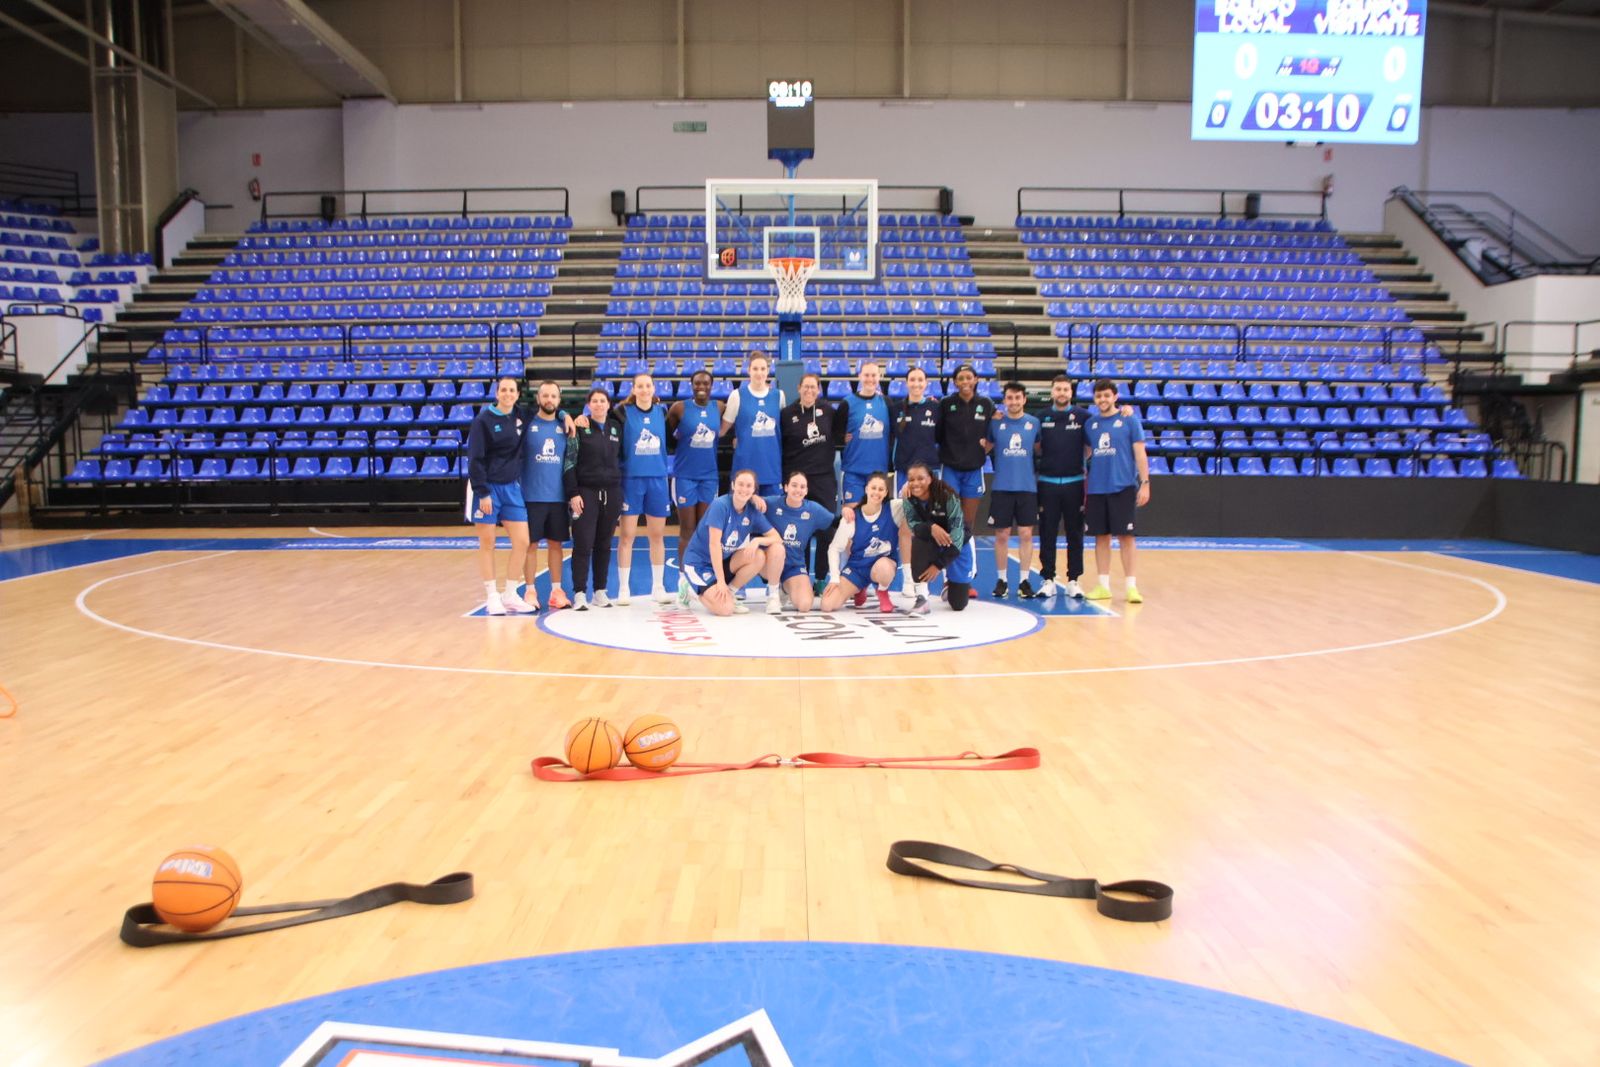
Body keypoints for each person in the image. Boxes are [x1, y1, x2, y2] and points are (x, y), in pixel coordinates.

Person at [466, 376, 532, 615]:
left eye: (512, 390)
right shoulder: (483, 421)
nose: (507, 394)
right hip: (487, 488)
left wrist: (564, 414)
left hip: (512, 487)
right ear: (497, 393)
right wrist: (482, 492)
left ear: (517, 394)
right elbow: (475, 459)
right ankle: (492, 596)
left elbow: (548, 410)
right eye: (503, 390)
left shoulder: (521, 415)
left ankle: (510, 594)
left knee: (522, 541)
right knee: (488, 543)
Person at [679, 469, 786, 617]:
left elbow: (777, 538)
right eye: (740, 484)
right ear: (733, 485)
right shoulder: (720, 505)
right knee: (725, 610)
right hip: (699, 564)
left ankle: (730, 593)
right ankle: (690, 589)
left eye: (749, 486)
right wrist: (721, 581)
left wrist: (757, 540)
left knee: (759, 556)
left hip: (722, 562)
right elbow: (714, 545)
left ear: (754, 490)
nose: (744, 489)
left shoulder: (752, 511)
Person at [1083, 378, 1151, 604]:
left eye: (1106, 395)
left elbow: (1140, 453)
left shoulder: (1129, 419)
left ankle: (1131, 587)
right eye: (1098, 396)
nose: (1102, 399)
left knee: (1126, 537)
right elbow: (1086, 452)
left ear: (1115, 397)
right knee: (1101, 537)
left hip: (1123, 487)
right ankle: (1103, 586)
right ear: (1094, 399)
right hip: (1097, 488)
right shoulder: (1090, 424)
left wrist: (1145, 482)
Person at [609, 372, 673, 605]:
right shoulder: (622, 413)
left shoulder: (662, 412)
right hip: (631, 480)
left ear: (653, 389)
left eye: (648, 386)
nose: (645, 390)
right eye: (640, 386)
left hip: (657, 479)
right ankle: (623, 589)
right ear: (634, 389)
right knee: (627, 536)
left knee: (657, 535)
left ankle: (658, 587)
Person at [563, 387, 624, 611]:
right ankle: (579, 593)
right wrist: (573, 493)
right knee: (582, 544)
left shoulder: (616, 427)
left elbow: (621, 459)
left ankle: (600, 591)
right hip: (585, 493)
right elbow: (569, 462)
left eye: (602, 401)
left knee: (604, 544)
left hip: (612, 493)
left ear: (609, 404)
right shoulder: (579, 427)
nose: (599, 404)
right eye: (594, 401)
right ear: (588, 405)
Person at [666, 369, 724, 606]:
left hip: (709, 477)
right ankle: (683, 583)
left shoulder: (719, 407)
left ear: (711, 386)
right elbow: (667, 438)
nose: (701, 387)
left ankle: (705, 579)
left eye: (706, 383)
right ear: (691, 385)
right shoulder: (679, 408)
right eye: (697, 383)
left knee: (706, 532)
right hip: (685, 477)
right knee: (687, 530)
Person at [778, 372, 840, 584]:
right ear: (799, 388)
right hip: (797, 480)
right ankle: (800, 575)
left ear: (818, 390)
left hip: (824, 479)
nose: (809, 390)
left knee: (826, 530)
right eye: (806, 386)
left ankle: (821, 578)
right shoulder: (787, 414)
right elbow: (779, 446)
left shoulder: (828, 411)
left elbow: (841, 434)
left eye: (813, 387)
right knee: (799, 531)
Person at [518, 380, 573, 611]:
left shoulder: (566, 427)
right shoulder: (527, 423)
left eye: (553, 396)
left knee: (556, 545)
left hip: (558, 497)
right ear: (538, 398)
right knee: (530, 545)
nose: (549, 400)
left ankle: (556, 591)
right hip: (531, 496)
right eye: (545, 395)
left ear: (559, 400)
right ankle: (530, 591)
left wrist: (565, 415)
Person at [1035, 374, 1090, 599]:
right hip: (1047, 484)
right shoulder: (1041, 417)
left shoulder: (1084, 416)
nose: (1061, 393)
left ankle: (1073, 580)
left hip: (1074, 484)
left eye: (1065, 389)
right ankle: (1048, 579)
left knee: (1075, 534)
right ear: (1052, 391)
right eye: (1058, 389)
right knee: (1047, 533)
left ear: (1071, 392)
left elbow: (1090, 445)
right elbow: (1036, 447)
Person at [987, 381, 1041, 599]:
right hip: (1002, 486)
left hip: (1027, 487)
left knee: (1026, 534)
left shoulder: (1034, 423)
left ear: (1024, 399)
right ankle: (1002, 580)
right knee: (1002, 535)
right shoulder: (995, 423)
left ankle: (1024, 580)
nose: (1014, 401)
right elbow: (984, 447)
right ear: (1004, 400)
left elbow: (1040, 449)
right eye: (1010, 398)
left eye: (1018, 397)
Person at [896, 461, 974, 613]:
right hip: (932, 541)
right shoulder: (908, 497)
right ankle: (922, 598)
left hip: (957, 544)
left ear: (930, 478)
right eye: (911, 479)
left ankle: (952, 584)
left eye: (920, 478)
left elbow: (958, 537)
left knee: (958, 604)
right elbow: (914, 526)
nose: (915, 483)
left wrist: (938, 565)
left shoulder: (947, 496)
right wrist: (931, 527)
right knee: (919, 541)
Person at [821, 471, 901, 615]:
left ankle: (882, 592)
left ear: (886, 492)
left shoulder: (894, 508)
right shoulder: (852, 517)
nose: (876, 492)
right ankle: (859, 588)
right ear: (866, 489)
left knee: (884, 568)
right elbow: (834, 548)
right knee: (827, 605)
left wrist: (907, 489)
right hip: (857, 568)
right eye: (873, 488)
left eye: (881, 489)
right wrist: (834, 578)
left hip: (882, 566)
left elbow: (914, 502)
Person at [759, 470, 835, 613]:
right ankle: (773, 595)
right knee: (777, 548)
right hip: (769, 562)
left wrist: (851, 514)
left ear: (806, 491)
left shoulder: (813, 510)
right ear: (786, 487)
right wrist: (754, 498)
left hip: (793, 566)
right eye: (794, 485)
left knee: (804, 605)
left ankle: (783, 588)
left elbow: (835, 522)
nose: (798, 490)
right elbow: (745, 503)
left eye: (802, 487)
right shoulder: (771, 503)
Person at [935, 364, 995, 535]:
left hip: (974, 470)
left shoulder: (986, 404)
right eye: (960, 378)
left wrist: (986, 448)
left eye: (969, 377)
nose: (965, 381)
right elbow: (937, 434)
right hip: (950, 468)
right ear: (955, 382)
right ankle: (949, 551)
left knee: (968, 522)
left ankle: (966, 551)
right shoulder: (946, 403)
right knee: (951, 518)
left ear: (976, 380)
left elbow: (996, 430)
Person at [720, 351, 786, 496]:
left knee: (772, 509)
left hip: (771, 466)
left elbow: (785, 429)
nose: (759, 373)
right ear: (749, 370)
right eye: (755, 368)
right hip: (745, 467)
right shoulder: (737, 395)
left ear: (768, 371)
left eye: (763, 369)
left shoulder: (779, 396)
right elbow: (722, 430)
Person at [839, 361, 891, 506]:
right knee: (852, 514)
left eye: (874, 375)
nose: (870, 379)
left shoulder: (886, 403)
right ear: (859, 376)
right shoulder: (847, 403)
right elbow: (836, 433)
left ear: (879, 377)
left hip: (879, 472)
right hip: (853, 471)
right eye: (866, 375)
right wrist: (841, 439)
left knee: (876, 515)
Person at [892, 366, 941, 490]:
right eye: (912, 380)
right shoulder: (895, 409)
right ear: (906, 383)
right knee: (904, 503)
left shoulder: (935, 407)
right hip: (904, 469)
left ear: (926, 383)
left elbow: (941, 437)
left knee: (932, 503)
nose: (916, 384)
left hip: (930, 469)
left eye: (920, 380)